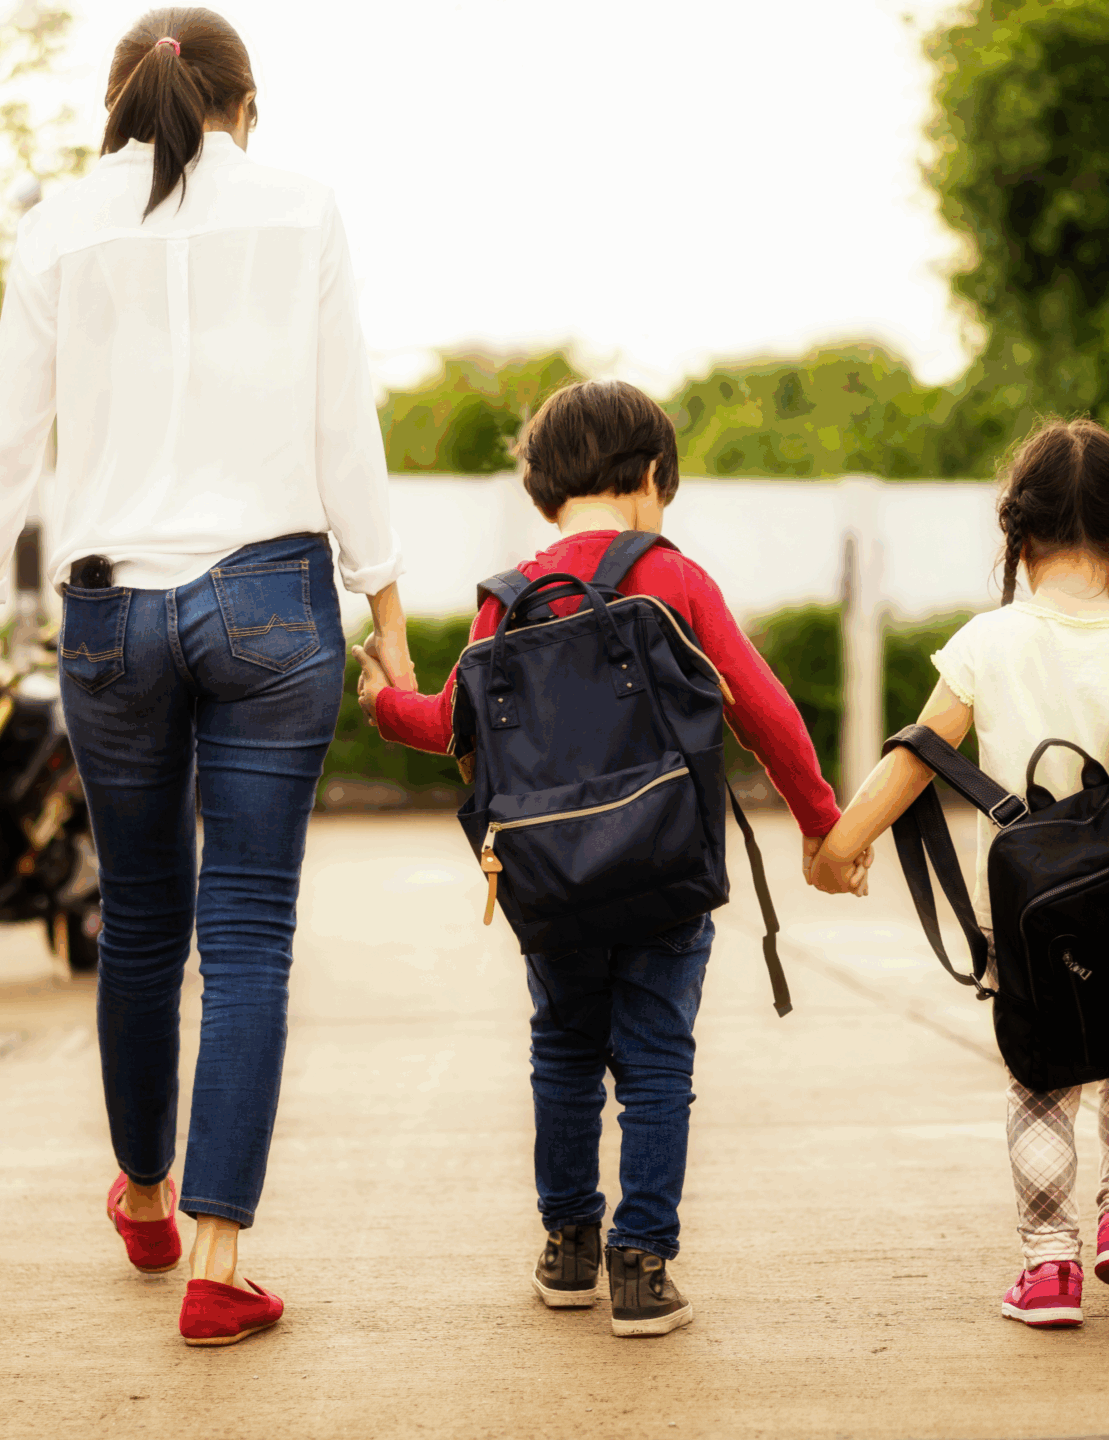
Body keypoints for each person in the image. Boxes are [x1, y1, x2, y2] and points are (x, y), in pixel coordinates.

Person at [0, 7, 408, 1347]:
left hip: (111, 611)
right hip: (268, 597)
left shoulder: (59, 222)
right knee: (247, 939)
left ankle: (141, 1186)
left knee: (138, 918)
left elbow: (10, 434)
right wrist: (388, 596)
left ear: (120, 105)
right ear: (251, 104)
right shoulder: (303, 210)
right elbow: (341, 413)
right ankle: (220, 1261)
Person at [361, 379, 841, 1338]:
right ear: (656, 477)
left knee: (565, 1051)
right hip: (665, 872)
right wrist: (820, 822)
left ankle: (568, 1248)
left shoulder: (510, 599)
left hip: (551, 883)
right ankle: (642, 1266)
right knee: (658, 1061)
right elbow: (765, 711)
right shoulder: (674, 579)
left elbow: (445, 722)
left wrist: (380, 700)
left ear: (543, 491)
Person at [805, 417, 1109, 1328]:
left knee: (1040, 1078)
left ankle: (1050, 1266)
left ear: (1016, 537)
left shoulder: (988, 641)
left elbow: (916, 755)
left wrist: (840, 844)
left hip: (1025, 912)